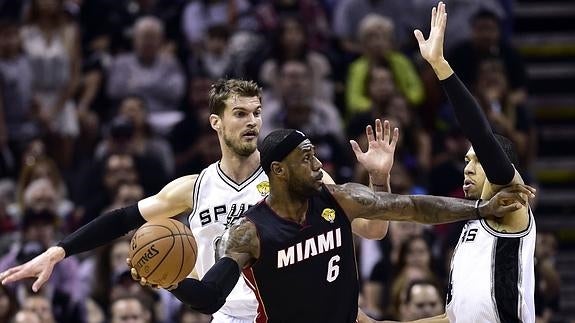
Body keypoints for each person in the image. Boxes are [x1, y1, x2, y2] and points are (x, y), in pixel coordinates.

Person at [0, 79, 396, 323]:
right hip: (224, 315)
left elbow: (374, 230)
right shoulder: (193, 187)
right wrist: (58, 251)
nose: (252, 122)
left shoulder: (295, 176)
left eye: (257, 113)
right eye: (239, 113)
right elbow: (122, 218)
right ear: (215, 122)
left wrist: (379, 177)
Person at [156, 128, 533, 322]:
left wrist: (480, 209)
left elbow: (412, 207)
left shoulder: (340, 198)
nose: (319, 165)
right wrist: (171, 280)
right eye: (307, 159)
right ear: (279, 171)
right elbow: (209, 297)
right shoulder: (249, 231)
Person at [394, 2, 535, 322]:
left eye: (477, 161)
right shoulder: (470, 225)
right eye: (466, 160)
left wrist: (441, 66)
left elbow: (482, 134)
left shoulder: (511, 204)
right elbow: (453, 316)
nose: (467, 167)